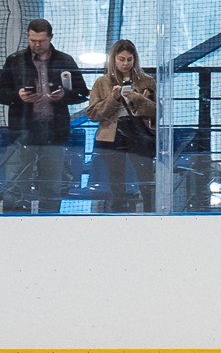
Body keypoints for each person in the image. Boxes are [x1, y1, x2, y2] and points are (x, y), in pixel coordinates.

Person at [4, 18, 89, 214]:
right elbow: (1, 91)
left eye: (41, 41)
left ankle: (50, 223)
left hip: (54, 131)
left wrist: (63, 96)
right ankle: (15, 224)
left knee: (51, 185)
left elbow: (82, 92)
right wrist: (17, 96)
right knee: (17, 185)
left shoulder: (65, 61)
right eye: (32, 40)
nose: (36, 44)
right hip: (22, 130)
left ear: (50, 38)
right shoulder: (15, 60)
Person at [85, 39, 156, 214]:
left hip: (139, 132)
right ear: (114, 60)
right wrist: (113, 99)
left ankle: (150, 211)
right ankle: (117, 211)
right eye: (121, 59)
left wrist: (139, 99)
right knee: (115, 177)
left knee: (145, 175)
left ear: (135, 60)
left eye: (129, 59)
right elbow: (93, 114)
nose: (125, 64)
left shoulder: (146, 81)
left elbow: (157, 111)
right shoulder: (102, 82)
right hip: (112, 135)